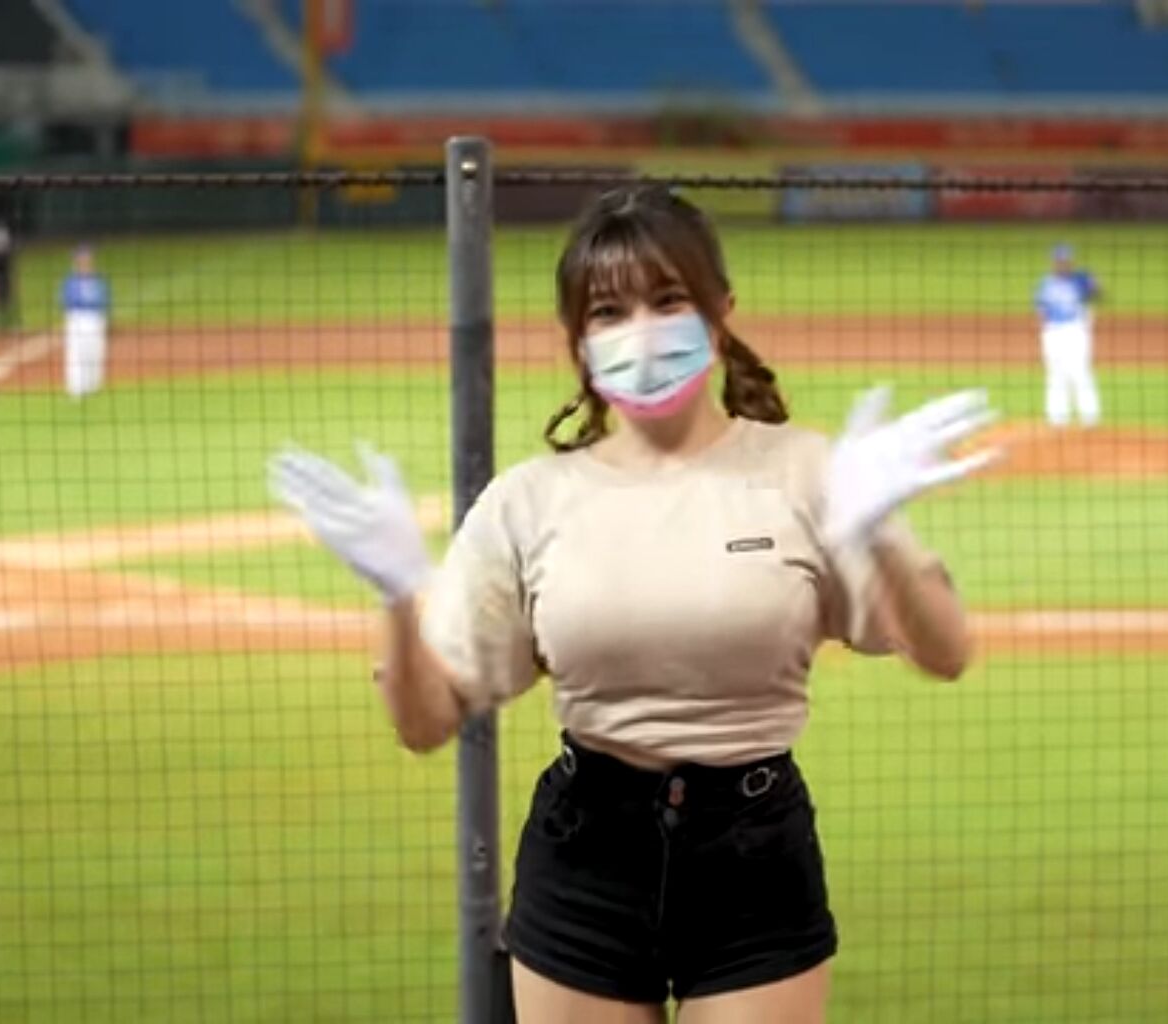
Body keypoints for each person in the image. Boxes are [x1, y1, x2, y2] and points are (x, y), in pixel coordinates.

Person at [267, 185, 994, 1022]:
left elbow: (946, 653)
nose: (640, 332)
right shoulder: (527, 501)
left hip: (755, 861)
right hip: (584, 860)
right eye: (607, 311)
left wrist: (880, 537)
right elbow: (425, 723)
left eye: (668, 299)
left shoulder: (811, 473)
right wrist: (397, 594)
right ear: (578, 341)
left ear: (720, 312)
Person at [1036, 243, 1103, 429]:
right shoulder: (1045, 283)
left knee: (1080, 372)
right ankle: (1057, 419)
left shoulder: (1080, 279)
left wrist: (1095, 284)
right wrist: (1046, 332)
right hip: (1052, 333)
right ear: (1054, 262)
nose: (1063, 264)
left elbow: (1098, 295)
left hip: (1075, 332)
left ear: (1071, 262)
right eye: (1060, 261)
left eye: (1066, 261)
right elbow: (1041, 310)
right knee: (1055, 374)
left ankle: (1090, 418)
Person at [60, 245, 110, 400]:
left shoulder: (98, 279)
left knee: (95, 352)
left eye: (88, 259)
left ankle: (93, 385)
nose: (85, 262)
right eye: (82, 259)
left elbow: (105, 299)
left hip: (96, 318)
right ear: (76, 261)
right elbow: (68, 301)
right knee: (76, 354)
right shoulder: (71, 281)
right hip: (78, 319)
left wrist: (105, 317)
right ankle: (76, 388)